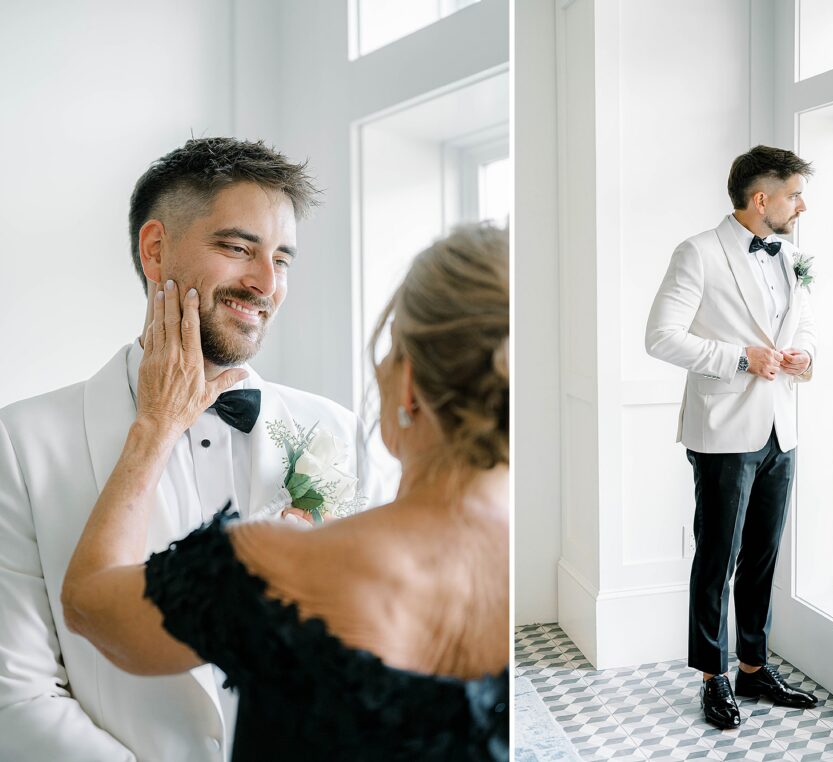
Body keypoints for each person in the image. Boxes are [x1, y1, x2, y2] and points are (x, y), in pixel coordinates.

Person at [60, 224, 510, 760]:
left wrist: (155, 425)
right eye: (236, 248)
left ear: (409, 384)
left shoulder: (274, 565)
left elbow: (90, 601)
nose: (266, 281)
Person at [0, 138, 373, 761]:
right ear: (155, 250)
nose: (265, 283)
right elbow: (16, 695)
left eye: (282, 258)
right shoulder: (20, 444)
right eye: (237, 248)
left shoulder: (337, 432)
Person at [645, 145, 819, 730]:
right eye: (794, 194)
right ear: (762, 198)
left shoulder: (791, 255)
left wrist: (804, 356)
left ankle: (752, 666)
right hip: (722, 430)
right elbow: (661, 337)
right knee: (717, 556)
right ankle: (712, 676)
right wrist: (741, 358)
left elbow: (807, 326)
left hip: (781, 429)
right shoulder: (697, 252)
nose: (802, 205)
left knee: (763, 555)